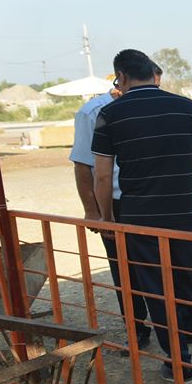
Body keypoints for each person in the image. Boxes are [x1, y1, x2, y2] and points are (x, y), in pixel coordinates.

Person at [92, 48, 192, 384]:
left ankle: (179, 366)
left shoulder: (109, 115)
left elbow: (102, 176)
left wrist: (106, 218)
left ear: (122, 77)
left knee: (157, 291)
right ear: (151, 72)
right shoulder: (185, 106)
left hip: (139, 221)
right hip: (186, 214)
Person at [70, 80, 152, 356]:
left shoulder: (150, 103)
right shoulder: (92, 112)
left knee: (163, 264)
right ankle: (137, 329)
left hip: (151, 199)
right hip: (115, 202)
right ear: (121, 80)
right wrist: (93, 211)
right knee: (124, 271)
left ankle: (179, 327)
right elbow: (83, 165)